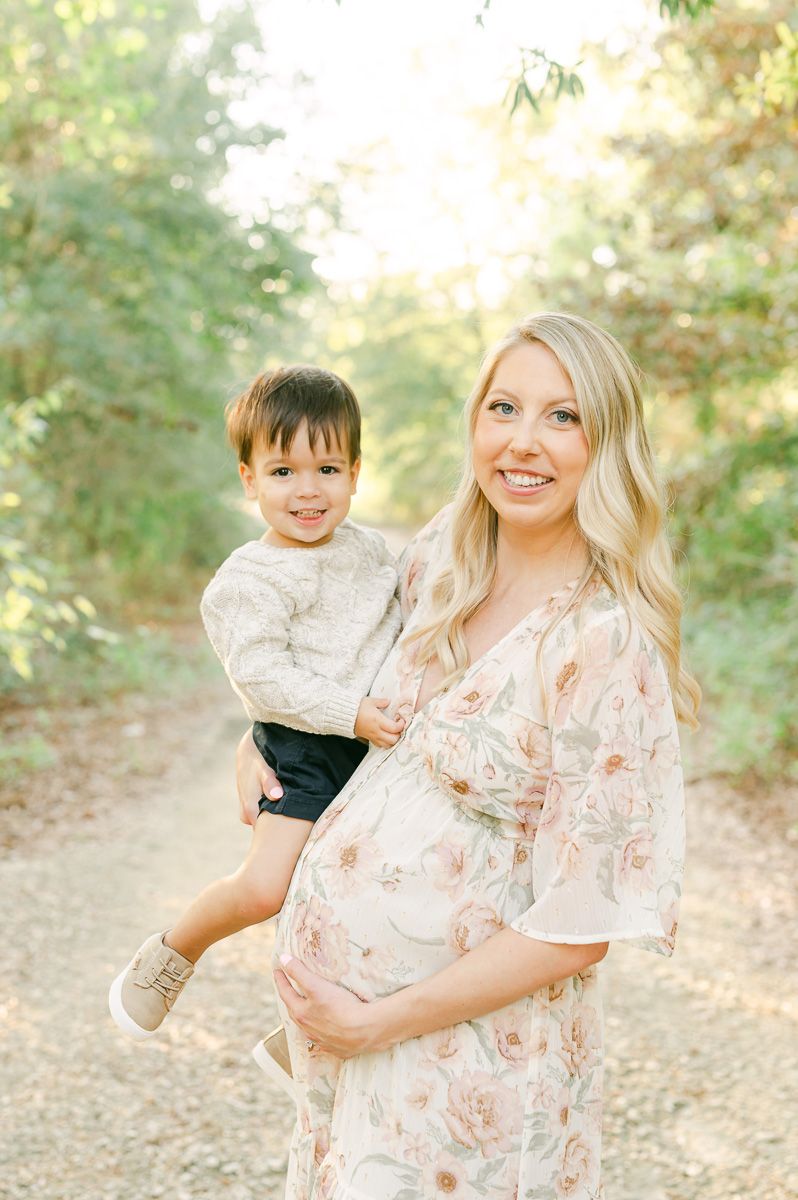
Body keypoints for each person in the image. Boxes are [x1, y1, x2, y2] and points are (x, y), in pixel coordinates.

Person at [237, 312, 699, 1199]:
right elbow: (339, 688)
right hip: (348, 1051)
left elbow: (578, 928)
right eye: (504, 408)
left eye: (564, 417)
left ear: (607, 444)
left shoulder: (604, 643)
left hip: (474, 1067)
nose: (524, 443)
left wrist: (376, 1023)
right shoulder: (442, 558)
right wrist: (253, 746)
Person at [108, 365, 404, 1095]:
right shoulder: (247, 581)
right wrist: (351, 712)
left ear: (357, 473)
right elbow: (264, 678)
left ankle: (303, 1032)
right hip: (305, 744)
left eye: (327, 468)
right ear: (249, 479)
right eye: (283, 470)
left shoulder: (371, 554)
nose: (308, 490)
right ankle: (173, 951)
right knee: (269, 886)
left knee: (382, 887)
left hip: (374, 744)